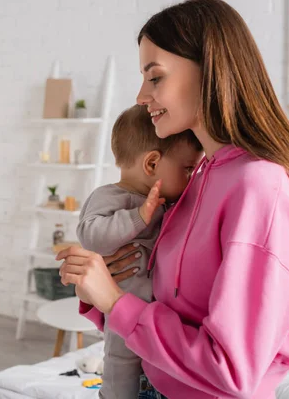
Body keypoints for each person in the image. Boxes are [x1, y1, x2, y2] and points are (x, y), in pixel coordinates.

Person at [58, 0, 289, 398]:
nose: (142, 96)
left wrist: (114, 300)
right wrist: (107, 286)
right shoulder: (197, 178)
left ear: (209, 71)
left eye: (155, 77)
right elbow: (165, 307)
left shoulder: (258, 187)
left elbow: (230, 370)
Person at [76, 104, 202, 398]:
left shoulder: (169, 204)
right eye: (187, 168)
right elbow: (92, 236)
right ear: (152, 164)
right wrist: (138, 217)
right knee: (121, 363)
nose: (190, 178)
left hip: (154, 318)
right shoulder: (110, 196)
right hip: (122, 306)